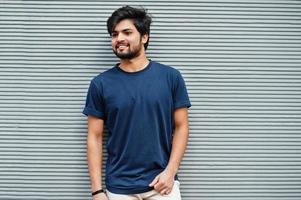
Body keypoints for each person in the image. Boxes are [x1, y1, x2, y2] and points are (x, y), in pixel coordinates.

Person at [83, 5, 191, 200]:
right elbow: (94, 137)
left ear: (144, 37)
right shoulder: (100, 84)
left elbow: (181, 127)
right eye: (114, 34)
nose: (119, 39)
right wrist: (97, 190)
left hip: (162, 184)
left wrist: (170, 172)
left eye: (127, 32)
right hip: (119, 188)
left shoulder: (171, 77)